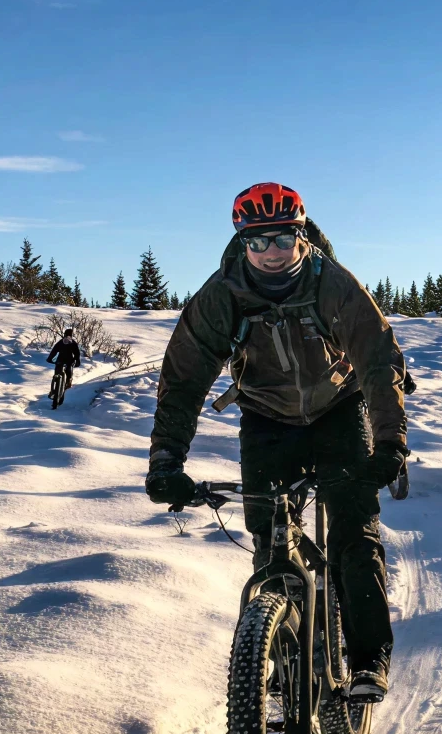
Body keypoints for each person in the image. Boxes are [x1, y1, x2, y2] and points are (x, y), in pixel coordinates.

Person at [145, 182, 409, 701]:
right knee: (268, 538)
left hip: (339, 410)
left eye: (282, 240)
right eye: (257, 243)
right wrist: (165, 459)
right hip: (266, 419)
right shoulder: (221, 297)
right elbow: (183, 381)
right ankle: (272, 646)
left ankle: (366, 660)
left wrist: (390, 443)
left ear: (301, 236)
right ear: (242, 242)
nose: (270, 254)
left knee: (354, 530)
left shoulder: (332, 284)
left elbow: (378, 362)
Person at [48, 328, 82, 397]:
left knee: (57, 372)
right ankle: (67, 383)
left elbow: (54, 351)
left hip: (60, 360)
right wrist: (77, 361)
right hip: (69, 361)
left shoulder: (60, 342)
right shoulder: (73, 342)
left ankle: (54, 389)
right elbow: (77, 353)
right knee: (68, 371)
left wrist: (50, 358)